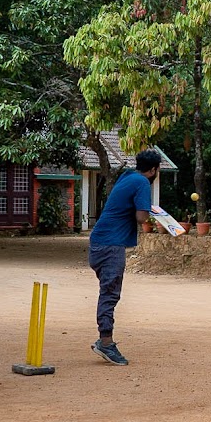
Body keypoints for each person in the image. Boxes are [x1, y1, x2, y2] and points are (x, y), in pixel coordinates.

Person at [88, 149, 162, 364]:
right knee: (110, 293)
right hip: (110, 245)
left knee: (108, 291)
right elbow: (141, 217)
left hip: (98, 242)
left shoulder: (127, 176)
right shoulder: (142, 182)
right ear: (153, 170)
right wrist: (159, 217)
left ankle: (105, 338)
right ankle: (106, 342)